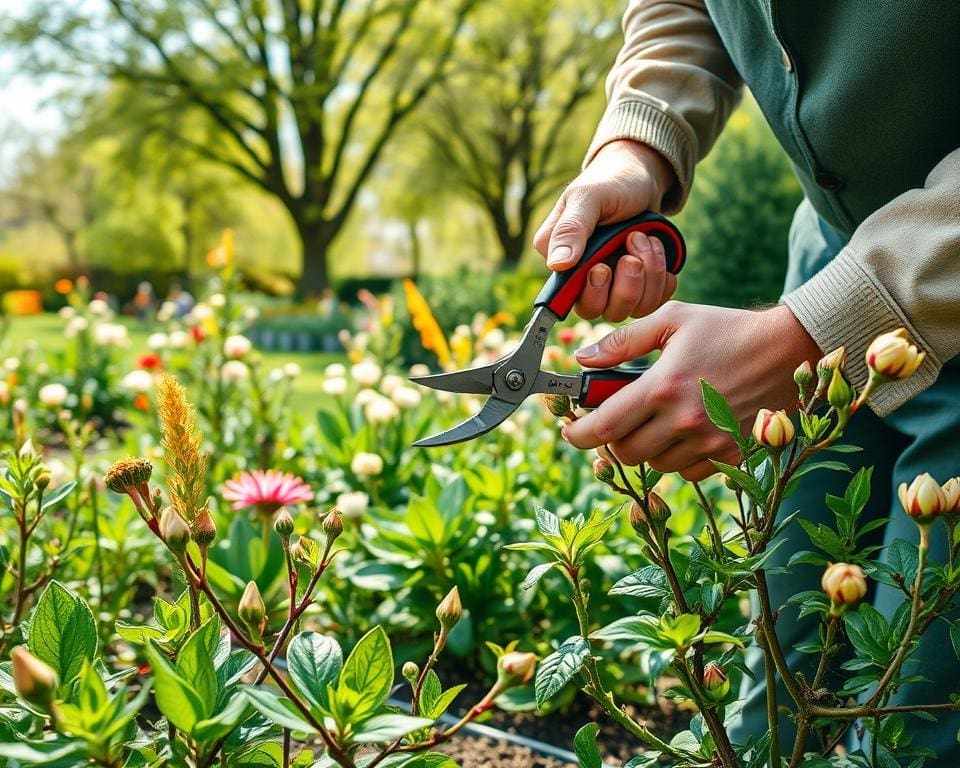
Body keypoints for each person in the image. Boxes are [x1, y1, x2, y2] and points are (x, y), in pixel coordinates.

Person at [534, 0, 960, 760]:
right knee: (772, 704)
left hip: (927, 265)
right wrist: (640, 141)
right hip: (833, 250)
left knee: (917, 718)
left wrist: (816, 332)